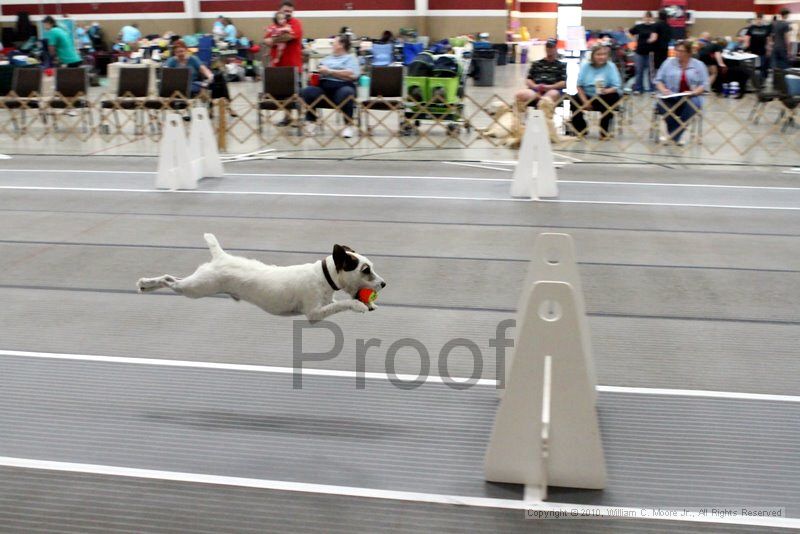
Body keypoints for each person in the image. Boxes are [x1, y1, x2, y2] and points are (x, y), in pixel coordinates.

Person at [300, 34, 359, 138]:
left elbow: (351, 75)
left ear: (341, 45)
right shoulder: (326, 59)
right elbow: (319, 71)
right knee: (308, 91)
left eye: (334, 43)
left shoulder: (350, 59)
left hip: (341, 87)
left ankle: (348, 126)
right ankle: (311, 122)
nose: (332, 45)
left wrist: (330, 71)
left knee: (347, 92)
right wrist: (314, 74)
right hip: (323, 88)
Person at [514, 38, 570, 144]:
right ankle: (518, 126)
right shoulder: (536, 64)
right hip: (535, 90)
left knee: (546, 99)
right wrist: (535, 86)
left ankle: (542, 128)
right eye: (548, 47)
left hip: (552, 90)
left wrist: (549, 87)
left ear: (556, 49)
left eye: (552, 47)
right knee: (520, 94)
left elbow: (563, 83)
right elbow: (528, 79)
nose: (550, 50)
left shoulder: (561, 65)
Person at [654, 40, 709, 145]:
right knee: (662, 105)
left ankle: (674, 136)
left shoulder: (699, 65)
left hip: (691, 96)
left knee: (694, 104)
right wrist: (663, 90)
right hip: (670, 95)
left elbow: (704, 84)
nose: (678, 53)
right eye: (677, 50)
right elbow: (658, 80)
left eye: (681, 51)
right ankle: (676, 136)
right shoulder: (668, 62)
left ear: (689, 52)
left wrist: (694, 92)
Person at [569, 44, 622, 139]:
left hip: (604, 95)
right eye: (598, 54)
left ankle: (604, 131)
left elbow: (616, 85)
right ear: (593, 55)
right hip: (587, 95)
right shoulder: (585, 66)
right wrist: (585, 101)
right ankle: (581, 130)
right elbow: (579, 85)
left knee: (613, 98)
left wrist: (606, 91)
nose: (601, 57)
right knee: (573, 100)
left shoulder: (611, 66)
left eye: (604, 54)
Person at [264, 0, 303, 126]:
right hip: (279, 67)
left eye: (291, 12)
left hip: (294, 66)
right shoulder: (275, 25)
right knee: (282, 94)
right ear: (279, 11)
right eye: (286, 11)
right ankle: (287, 118)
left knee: (297, 94)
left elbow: (289, 37)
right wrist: (269, 40)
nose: (288, 14)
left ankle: (300, 118)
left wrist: (273, 39)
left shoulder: (295, 23)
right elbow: (265, 40)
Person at [629, 11, 658, 93]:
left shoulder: (655, 27)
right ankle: (638, 89)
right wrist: (633, 40)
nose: (647, 19)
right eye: (646, 17)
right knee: (639, 71)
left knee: (651, 72)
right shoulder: (639, 27)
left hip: (650, 53)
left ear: (652, 18)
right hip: (639, 52)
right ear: (643, 18)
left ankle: (652, 89)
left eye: (649, 17)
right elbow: (630, 32)